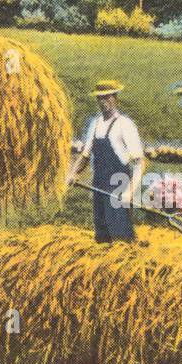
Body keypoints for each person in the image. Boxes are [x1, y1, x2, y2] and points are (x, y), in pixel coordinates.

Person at [66, 80, 145, 242]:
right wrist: (73, 173)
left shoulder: (125, 124)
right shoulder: (94, 124)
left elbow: (140, 162)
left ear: (115, 98)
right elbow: (85, 155)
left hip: (119, 185)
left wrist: (129, 191)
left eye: (108, 97)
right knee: (102, 234)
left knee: (120, 234)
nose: (104, 102)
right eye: (101, 98)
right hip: (99, 185)